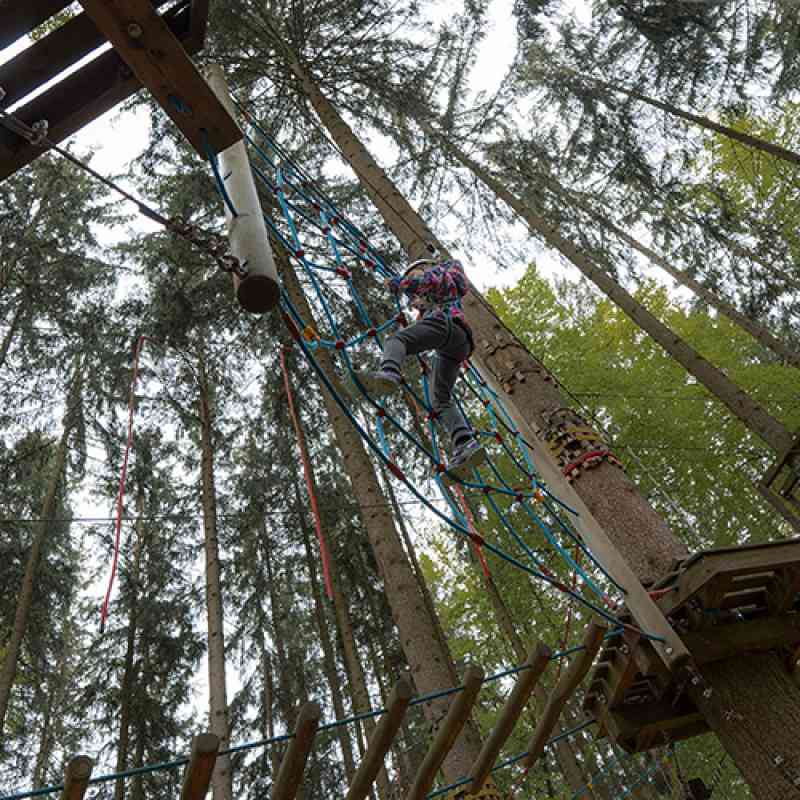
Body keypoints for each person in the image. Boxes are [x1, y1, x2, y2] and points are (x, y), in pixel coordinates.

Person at [360, 257, 486, 478]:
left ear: (425, 268)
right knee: (441, 399)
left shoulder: (444, 273)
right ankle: (465, 443)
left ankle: (389, 373)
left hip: (447, 325)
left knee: (396, 340)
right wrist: (414, 298)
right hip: (457, 345)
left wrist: (402, 283)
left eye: (414, 273)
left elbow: (432, 281)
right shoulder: (431, 299)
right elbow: (425, 293)